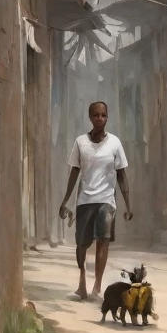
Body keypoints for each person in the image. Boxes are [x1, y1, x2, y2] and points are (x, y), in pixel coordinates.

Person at [59, 101, 133, 301]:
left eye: (103, 115)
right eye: (95, 115)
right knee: (81, 244)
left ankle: (97, 286)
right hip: (84, 201)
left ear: (107, 117)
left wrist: (127, 204)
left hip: (106, 201)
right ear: (90, 117)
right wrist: (65, 200)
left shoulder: (115, 143)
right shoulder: (80, 142)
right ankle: (82, 281)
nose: (99, 118)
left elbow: (121, 175)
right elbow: (74, 172)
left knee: (103, 240)